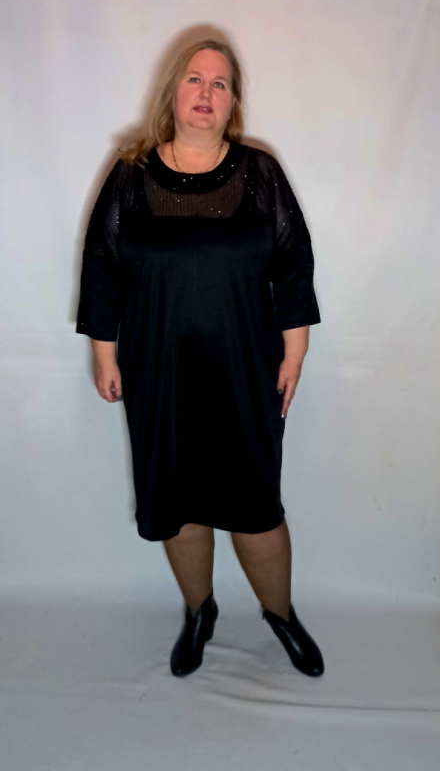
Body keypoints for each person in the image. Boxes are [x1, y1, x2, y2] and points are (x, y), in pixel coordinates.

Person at [76, 38, 324, 678]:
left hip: (246, 367)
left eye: (220, 83)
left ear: (232, 100)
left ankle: (281, 614)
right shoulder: (131, 175)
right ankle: (199, 611)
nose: (206, 92)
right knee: (178, 497)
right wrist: (104, 354)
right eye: (195, 78)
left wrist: (296, 349)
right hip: (158, 368)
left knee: (255, 503)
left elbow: (294, 261)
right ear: (173, 91)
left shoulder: (259, 173)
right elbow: (101, 267)